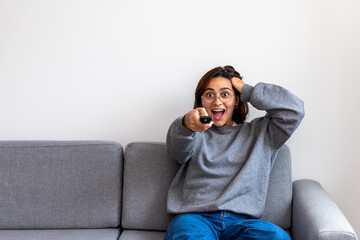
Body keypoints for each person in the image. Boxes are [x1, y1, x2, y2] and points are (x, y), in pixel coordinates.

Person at [164, 65, 305, 240]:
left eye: (225, 94)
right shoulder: (193, 134)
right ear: (201, 100)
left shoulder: (263, 134)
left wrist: (248, 90)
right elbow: (176, 150)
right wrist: (186, 123)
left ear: (237, 100)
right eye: (209, 95)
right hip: (196, 219)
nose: (217, 102)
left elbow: (295, 110)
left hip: (242, 224)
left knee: (276, 236)